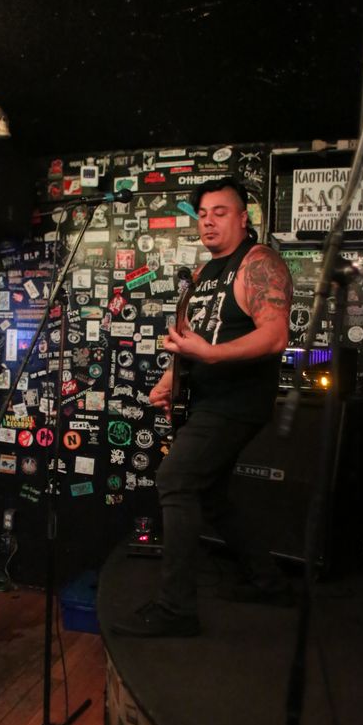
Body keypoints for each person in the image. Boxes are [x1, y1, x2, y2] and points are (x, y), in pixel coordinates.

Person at [113, 177, 294, 638]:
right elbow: (193, 339)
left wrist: (212, 356)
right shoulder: (205, 274)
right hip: (206, 400)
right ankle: (269, 582)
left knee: (175, 479)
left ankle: (176, 609)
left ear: (243, 218)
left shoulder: (259, 262)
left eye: (221, 212)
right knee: (212, 496)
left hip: (237, 402)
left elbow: (275, 335)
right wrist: (171, 380)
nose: (209, 221)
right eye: (204, 214)